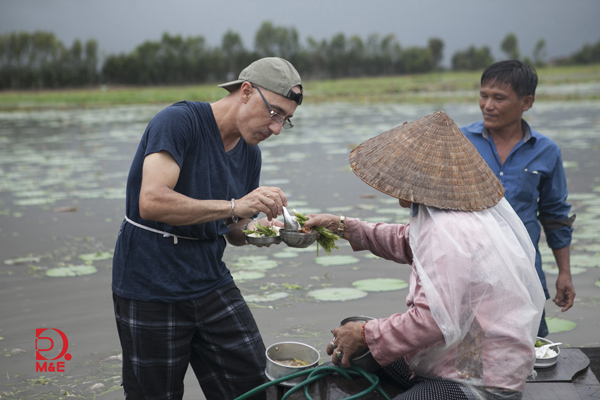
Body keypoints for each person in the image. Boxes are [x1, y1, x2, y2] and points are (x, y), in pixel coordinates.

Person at [303, 111, 546, 400]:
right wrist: (343, 227)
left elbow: (433, 320)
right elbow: (407, 241)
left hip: (480, 376)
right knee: (359, 335)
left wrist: (366, 333)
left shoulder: (446, 231)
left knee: (362, 336)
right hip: (465, 348)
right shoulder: (451, 213)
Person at [111, 57, 303, 400]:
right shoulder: (179, 122)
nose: (275, 128)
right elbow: (151, 201)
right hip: (150, 284)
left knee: (256, 386)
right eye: (274, 113)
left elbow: (235, 230)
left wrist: (265, 230)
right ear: (246, 91)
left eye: (285, 121)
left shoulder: (249, 152)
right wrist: (235, 206)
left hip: (210, 280)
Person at [461, 60, 576, 338]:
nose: (487, 105)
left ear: (526, 102)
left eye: (499, 98)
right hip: (468, 271)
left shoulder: (546, 151)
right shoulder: (460, 142)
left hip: (524, 271)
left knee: (528, 351)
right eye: (483, 95)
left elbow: (555, 217)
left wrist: (564, 273)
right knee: (466, 356)